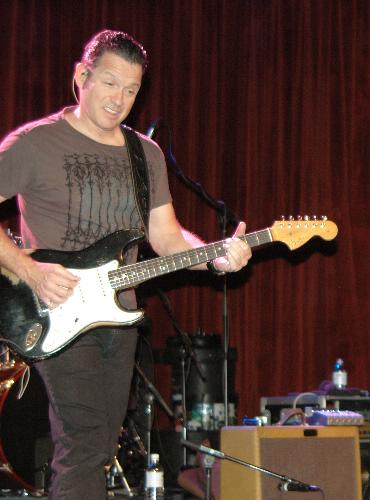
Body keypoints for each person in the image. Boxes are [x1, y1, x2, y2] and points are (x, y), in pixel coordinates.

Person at [0, 30, 252, 499]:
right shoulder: (35, 143)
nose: (120, 100)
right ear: (82, 77)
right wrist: (31, 270)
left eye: (132, 90)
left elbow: (167, 238)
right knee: (83, 442)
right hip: (58, 311)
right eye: (110, 83)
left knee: (99, 445)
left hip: (119, 318)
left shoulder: (144, 154)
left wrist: (215, 257)